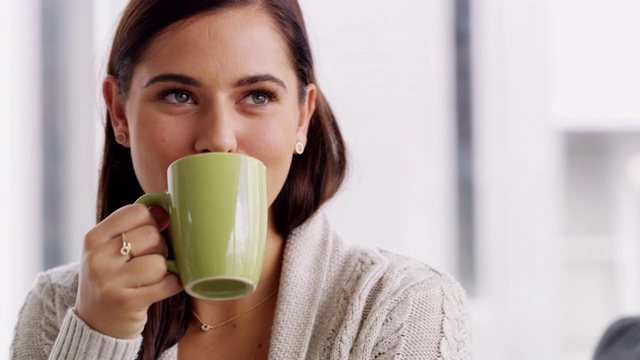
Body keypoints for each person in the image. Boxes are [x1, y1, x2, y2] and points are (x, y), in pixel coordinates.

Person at [11, 0, 471, 359]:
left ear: (302, 118)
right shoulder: (60, 308)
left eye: (257, 95)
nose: (219, 138)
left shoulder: (402, 305)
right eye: (178, 95)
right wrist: (98, 337)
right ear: (118, 113)